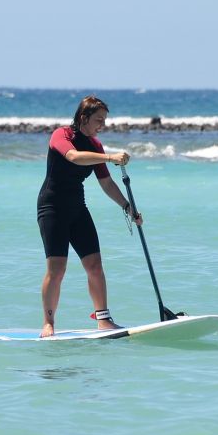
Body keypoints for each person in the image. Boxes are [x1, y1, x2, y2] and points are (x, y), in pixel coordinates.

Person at [37, 95, 141, 337]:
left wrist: (128, 207)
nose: (102, 126)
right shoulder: (61, 135)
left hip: (77, 208)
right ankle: (48, 323)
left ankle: (104, 320)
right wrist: (108, 157)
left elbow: (106, 183)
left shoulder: (95, 146)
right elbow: (73, 157)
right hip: (51, 208)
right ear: (84, 118)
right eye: (99, 120)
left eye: (104, 121)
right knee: (57, 269)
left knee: (95, 265)